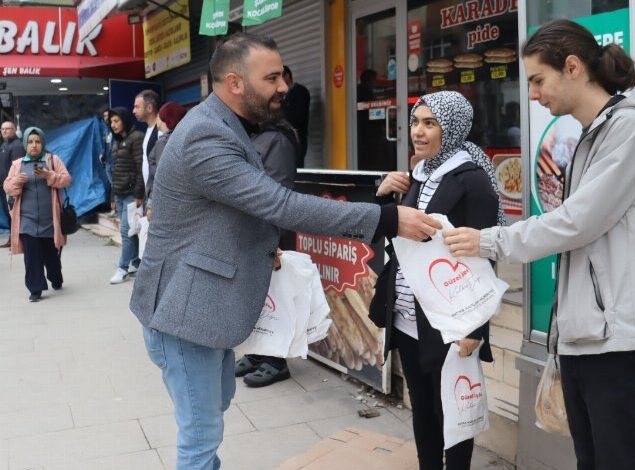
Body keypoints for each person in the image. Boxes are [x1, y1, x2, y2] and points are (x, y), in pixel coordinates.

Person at [128, 32, 440, 470]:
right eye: (271, 77)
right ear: (235, 82)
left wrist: (261, 245)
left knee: (213, 411)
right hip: (182, 312)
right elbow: (279, 203)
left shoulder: (228, 125)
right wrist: (386, 219)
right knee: (200, 434)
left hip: (203, 309)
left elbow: (232, 208)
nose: (283, 87)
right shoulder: (206, 135)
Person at [443, 20, 635, 470]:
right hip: (588, 334)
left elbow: (578, 222)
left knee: (617, 460)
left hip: (619, 337)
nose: (533, 94)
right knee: (590, 459)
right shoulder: (592, 134)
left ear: (572, 67)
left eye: (538, 80)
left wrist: (490, 241)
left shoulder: (629, 130)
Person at [369, 91, 502, 470]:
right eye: (415, 122)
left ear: (453, 128)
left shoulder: (473, 181)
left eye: (430, 123)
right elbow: (395, 239)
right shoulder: (416, 176)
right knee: (422, 406)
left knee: (454, 412)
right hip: (408, 315)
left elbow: (483, 256)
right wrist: (382, 198)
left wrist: (476, 329)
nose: (419, 132)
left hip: (450, 321)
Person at [234, 116, 299, 387]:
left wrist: (273, 242)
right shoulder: (251, 135)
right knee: (256, 298)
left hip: (273, 235)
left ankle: (276, 360)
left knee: (276, 299)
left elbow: (278, 194)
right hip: (251, 232)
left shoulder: (278, 139)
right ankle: (257, 353)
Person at [2, 127, 71, 301]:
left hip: (50, 220)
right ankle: (35, 288)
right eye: (30, 142)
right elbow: (7, 187)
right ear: (25, 144)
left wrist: (49, 175)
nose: (34, 145)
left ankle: (56, 277)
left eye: (37, 142)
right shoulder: (17, 164)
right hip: (27, 220)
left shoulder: (53, 160)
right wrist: (16, 181)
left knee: (50, 256)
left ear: (43, 143)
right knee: (32, 257)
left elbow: (67, 180)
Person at [108, 107, 145, 285]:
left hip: (131, 194)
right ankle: (136, 262)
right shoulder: (116, 141)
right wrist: (113, 197)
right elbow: (114, 171)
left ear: (124, 120)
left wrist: (139, 194)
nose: (113, 125)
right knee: (132, 231)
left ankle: (122, 268)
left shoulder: (136, 137)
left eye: (116, 121)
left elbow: (140, 167)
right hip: (120, 193)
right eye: (111, 122)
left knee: (126, 231)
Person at [145, 101, 187, 208]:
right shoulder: (181, 138)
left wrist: (150, 203)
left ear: (165, 118)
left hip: (162, 200)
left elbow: (161, 175)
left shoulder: (163, 142)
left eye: (159, 115)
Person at [133, 89, 162, 213]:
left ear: (149, 108)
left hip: (157, 198)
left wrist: (151, 201)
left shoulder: (160, 132)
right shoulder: (149, 130)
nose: (133, 111)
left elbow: (160, 168)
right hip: (148, 194)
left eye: (137, 107)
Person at [1, 121, 25, 247]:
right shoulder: (5, 145)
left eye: (8, 129)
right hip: (4, 187)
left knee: (15, 213)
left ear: (14, 130)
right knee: (8, 213)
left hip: (12, 187)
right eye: (2, 129)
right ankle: (12, 240)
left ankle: (19, 241)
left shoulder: (17, 146)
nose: (4, 131)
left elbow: (18, 167)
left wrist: (14, 186)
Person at [281, 65, 310, 167]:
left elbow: (299, 117)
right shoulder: (282, 95)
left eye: (280, 78)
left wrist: (282, 121)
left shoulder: (300, 92)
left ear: (287, 76)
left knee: (296, 169)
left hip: (297, 138)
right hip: (285, 139)